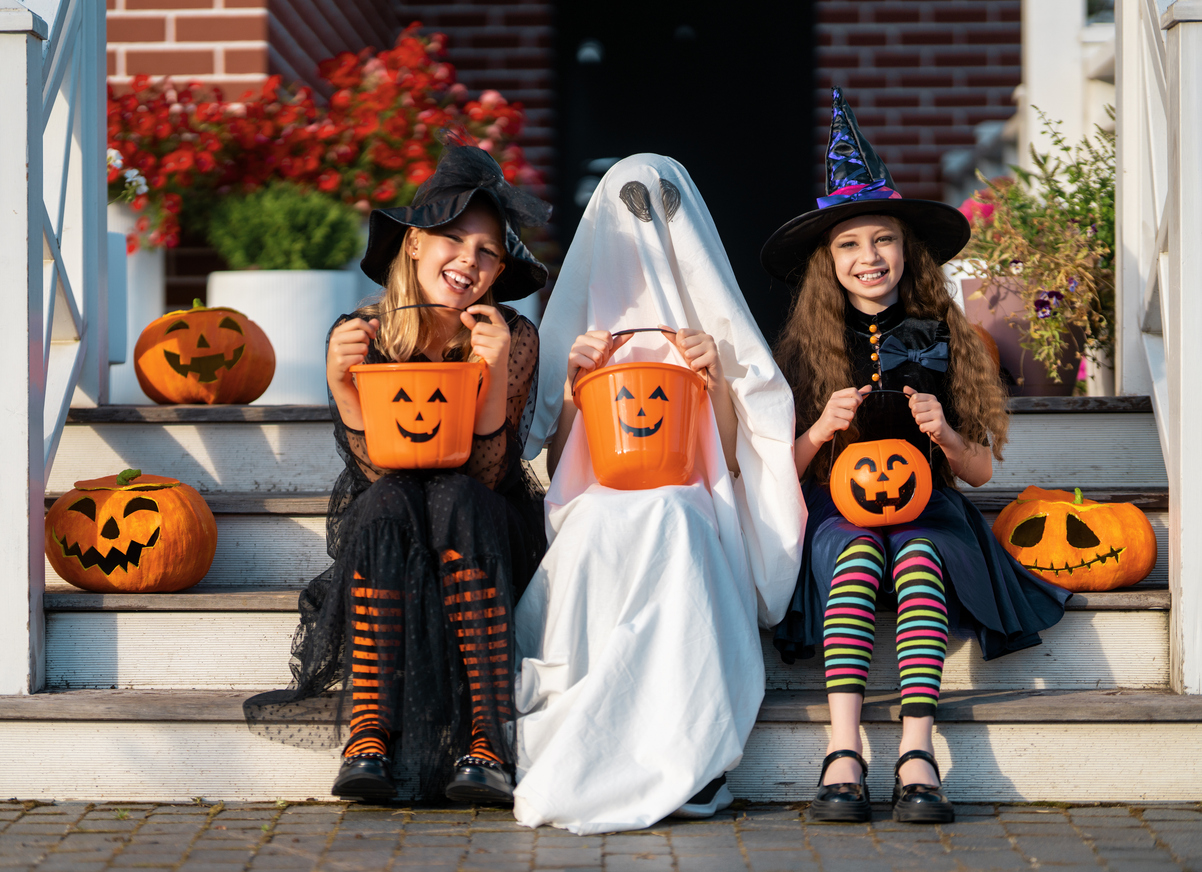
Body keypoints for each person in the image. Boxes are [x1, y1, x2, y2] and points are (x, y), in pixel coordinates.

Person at [761, 90, 1071, 824]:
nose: (869, 258)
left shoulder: (947, 335)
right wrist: (816, 431)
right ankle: (843, 749)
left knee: (920, 555)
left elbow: (981, 473)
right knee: (859, 554)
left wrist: (948, 435)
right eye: (849, 245)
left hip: (932, 506)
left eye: (883, 240)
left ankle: (918, 748)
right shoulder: (803, 351)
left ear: (908, 249)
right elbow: (778, 469)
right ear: (827, 262)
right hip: (838, 509)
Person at [246, 142, 552, 805]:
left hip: (482, 521)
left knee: (460, 498)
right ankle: (369, 732)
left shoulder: (512, 335)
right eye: (451, 238)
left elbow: (493, 471)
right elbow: (374, 465)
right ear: (413, 244)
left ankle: (488, 736)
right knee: (386, 500)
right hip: (394, 524)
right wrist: (345, 389)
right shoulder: (363, 331)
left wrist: (493, 373)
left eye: (487, 252)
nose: (467, 261)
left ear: (501, 268)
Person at [511, 154, 805, 834]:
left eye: (664, 210)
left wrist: (719, 379)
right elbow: (559, 469)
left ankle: (684, 742)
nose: (650, 231)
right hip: (601, 495)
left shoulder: (707, 330)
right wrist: (570, 389)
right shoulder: (590, 331)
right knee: (595, 533)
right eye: (631, 211)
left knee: (674, 518)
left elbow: (734, 459)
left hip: (692, 493)